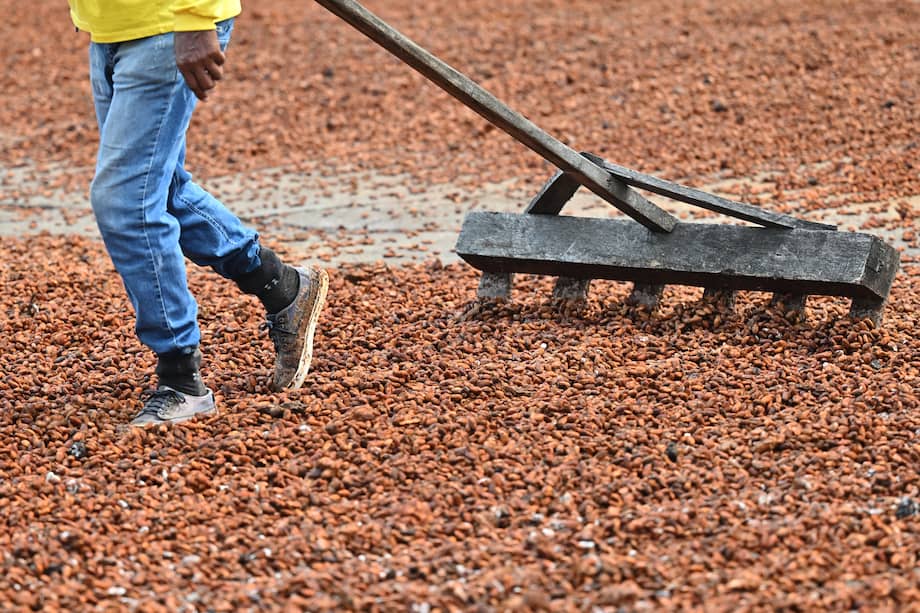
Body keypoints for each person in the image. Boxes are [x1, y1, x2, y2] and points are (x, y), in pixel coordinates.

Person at [66, 1, 328, 426]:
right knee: (159, 189)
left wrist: (195, 15)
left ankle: (181, 380)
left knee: (125, 201)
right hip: (112, 25)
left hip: (166, 23)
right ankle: (281, 286)